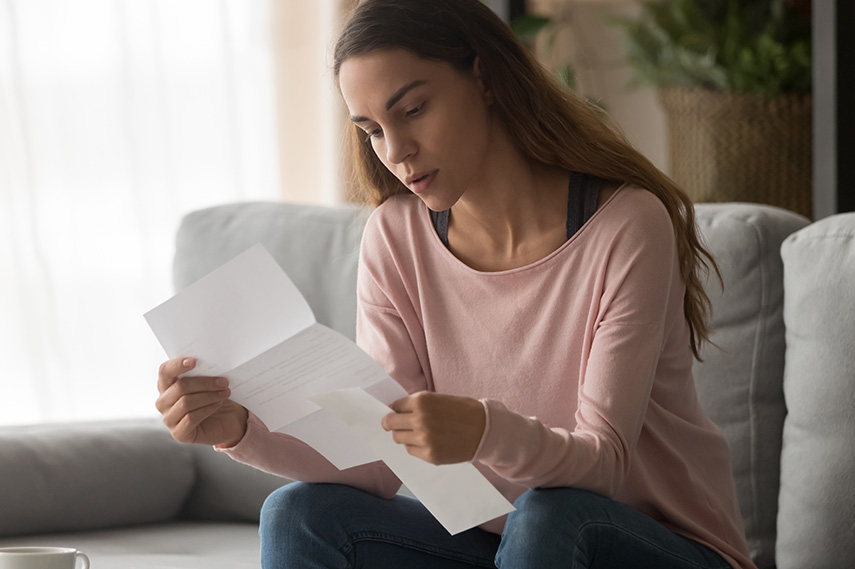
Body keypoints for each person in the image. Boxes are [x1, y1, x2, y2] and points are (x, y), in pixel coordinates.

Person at [155, 1, 757, 568]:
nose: (397, 151)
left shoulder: (626, 225)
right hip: (510, 544)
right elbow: (383, 460)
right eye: (371, 129)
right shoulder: (395, 237)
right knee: (299, 514)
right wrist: (241, 431)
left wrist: (484, 431)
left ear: (485, 76)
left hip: (657, 545)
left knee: (549, 514)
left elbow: (604, 465)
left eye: (413, 110)